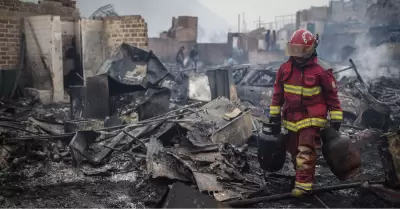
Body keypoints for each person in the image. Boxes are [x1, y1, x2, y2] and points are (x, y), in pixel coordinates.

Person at [268, 29, 343, 197]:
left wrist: (336, 116)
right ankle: (303, 177)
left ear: (310, 50)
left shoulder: (321, 71)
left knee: (305, 151)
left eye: (301, 51)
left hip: (312, 118)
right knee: (294, 152)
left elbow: (332, 97)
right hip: (292, 118)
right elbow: (277, 94)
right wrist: (274, 114)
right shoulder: (285, 69)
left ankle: (303, 187)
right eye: (294, 51)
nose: (297, 56)